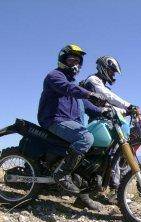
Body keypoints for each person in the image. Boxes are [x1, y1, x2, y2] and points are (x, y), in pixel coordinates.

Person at [38, 44, 106, 210]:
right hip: (55, 120)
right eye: (71, 59)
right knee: (86, 138)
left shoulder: (74, 85)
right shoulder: (55, 76)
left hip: (70, 123)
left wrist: (106, 111)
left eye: (78, 61)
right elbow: (69, 89)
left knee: (94, 152)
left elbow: (89, 106)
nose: (75, 63)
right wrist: (90, 93)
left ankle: (83, 197)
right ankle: (61, 175)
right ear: (63, 60)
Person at [81, 56, 135, 202]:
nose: (113, 74)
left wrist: (125, 111)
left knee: (113, 154)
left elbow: (109, 105)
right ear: (104, 68)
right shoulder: (93, 80)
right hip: (99, 122)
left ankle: (108, 189)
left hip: (105, 120)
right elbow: (107, 96)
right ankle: (113, 190)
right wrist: (128, 106)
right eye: (112, 71)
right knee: (111, 154)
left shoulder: (102, 83)